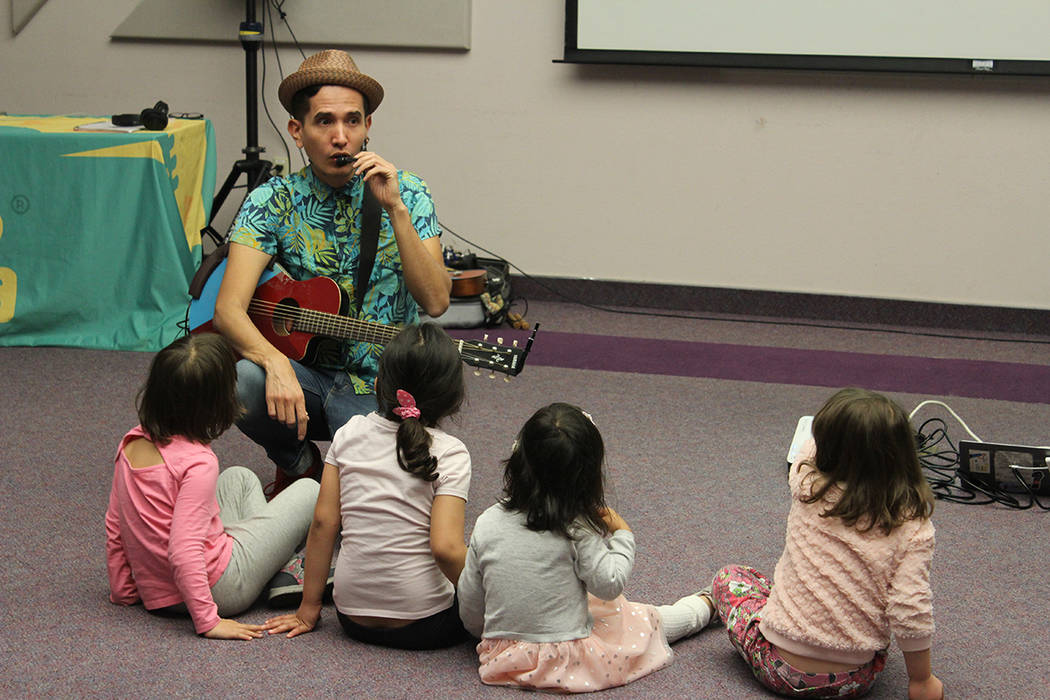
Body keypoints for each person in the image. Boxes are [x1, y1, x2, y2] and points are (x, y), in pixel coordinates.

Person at [213, 49, 451, 497]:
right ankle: (300, 465)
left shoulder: (410, 192)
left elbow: (437, 302)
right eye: (324, 122)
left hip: (382, 383)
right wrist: (274, 363)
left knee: (368, 503)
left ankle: (342, 480)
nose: (341, 137)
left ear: (368, 127)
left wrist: (396, 209)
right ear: (297, 131)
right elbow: (228, 309)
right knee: (238, 380)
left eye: (353, 121)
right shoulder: (273, 200)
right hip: (304, 377)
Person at [456, 402, 716, 693]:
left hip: (502, 659)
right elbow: (609, 584)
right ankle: (708, 605)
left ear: (518, 460)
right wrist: (622, 534)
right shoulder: (576, 527)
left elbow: (470, 603)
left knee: (591, 604)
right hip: (567, 661)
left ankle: (705, 606)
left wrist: (497, 636)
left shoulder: (487, 521)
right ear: (588, 478)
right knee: (642, 620)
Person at [711, 388, 943, 700]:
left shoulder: (806, 484)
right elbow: (910, 607)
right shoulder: (912, 523)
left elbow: (807, 450)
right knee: (878, 602)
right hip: (854, 680)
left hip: (778, 668)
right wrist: (922, 680)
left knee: (731, 577)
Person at [263, 322, 471, 649]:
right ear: (452, 397)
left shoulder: (349, 433)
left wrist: (309, 608)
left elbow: (324, 524)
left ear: (377, 384)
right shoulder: (451, 452)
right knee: (478, 554)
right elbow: (445, 549)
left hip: (351, 618)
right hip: (426, 625)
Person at [104, 333, 319, 640]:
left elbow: (116, 522)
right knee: (310, 489)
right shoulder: (198, 462)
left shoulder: (130, 442)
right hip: (221, 588)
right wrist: (208, 621)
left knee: (240, 478)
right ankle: (282, 572)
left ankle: (273, 569)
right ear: (218, 402)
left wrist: (124, 590)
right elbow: (183, 549)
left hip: (158, 590)